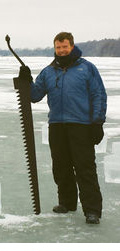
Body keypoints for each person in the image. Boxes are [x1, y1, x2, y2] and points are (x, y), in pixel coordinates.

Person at [19, 32, 107, 224]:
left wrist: (97, 122)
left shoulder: (87, 68)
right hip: (57, 125)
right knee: (61, 167)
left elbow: (98, 95)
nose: (61, 51)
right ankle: (67, 202)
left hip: (81, 125)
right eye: (58, 48)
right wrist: (26, 81)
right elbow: (34, 96)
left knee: (85, 168)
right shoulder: (49, 71)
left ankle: (92, 210)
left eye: (65, 47)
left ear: (72, 46)